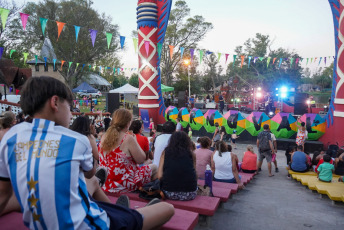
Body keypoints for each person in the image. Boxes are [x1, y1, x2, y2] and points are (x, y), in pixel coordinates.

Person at [0, 77, 174, 230]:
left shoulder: (10, 137)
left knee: (91, 185)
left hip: (48, 217)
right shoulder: (76, 140)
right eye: (70, 106)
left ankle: (122, 212)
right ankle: (128, 215)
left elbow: (3, 194)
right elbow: (90, 172)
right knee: (167, 209)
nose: (70, 113)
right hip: (90, 224)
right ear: (55, 103)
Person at [98, 109, 157, 194]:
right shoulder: (128, 138)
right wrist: (134, 140)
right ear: (128, 123)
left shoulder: (104, 137)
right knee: (154, 167)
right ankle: (145, 194)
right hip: (124, 185)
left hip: (106, 183)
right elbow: (141, 159)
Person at [158, 131, 197, 200]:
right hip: (190, 194)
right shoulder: (191, 154)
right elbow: (195, 175)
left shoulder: (165, 152)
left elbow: (159, 176)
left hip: (169, 192)